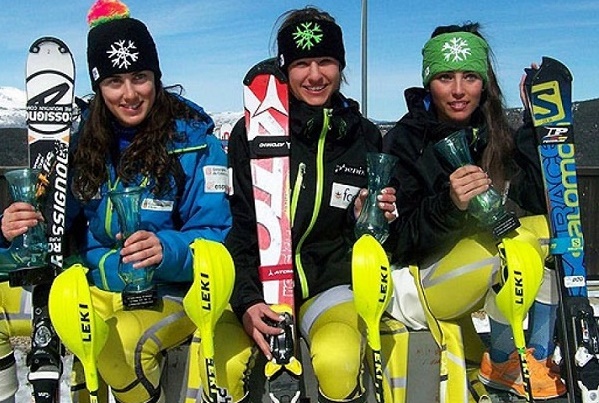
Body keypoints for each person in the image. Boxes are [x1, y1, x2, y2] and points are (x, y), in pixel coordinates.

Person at [0, 0, 230, 402]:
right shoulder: (78, 143)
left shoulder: (196, 144)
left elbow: (217, 234)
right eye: (114, 81)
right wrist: (15, 231)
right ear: (97, 85)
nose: (129, 94)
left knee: (120, 350)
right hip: (92, 284)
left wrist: (168, 248)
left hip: (168, 291)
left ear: (156, 78)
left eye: (140, 77)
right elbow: (55, 225)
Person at [194, 7, 400, 403]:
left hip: (331, 282)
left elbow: (375, 238)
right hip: (258, 284)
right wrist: (246, 301)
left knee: (338, 361)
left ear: (341, 66)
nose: (315, 75)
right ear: (285, 69)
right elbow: (235, 225)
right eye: (302, 63)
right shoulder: (252, 132)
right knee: (224, 365)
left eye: (326, 61)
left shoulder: (363, 136)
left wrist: (370, 220)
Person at [383, 22, 566, 401]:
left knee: (548, 231)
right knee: (509, 247)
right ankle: (502, 360)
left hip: (471, 269)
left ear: (484, 82)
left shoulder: (491, 130)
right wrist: (450, 205)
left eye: (470, 77)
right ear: (428, 82)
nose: (458, 90)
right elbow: (400, 242)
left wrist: (536, 125)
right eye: (445, 77)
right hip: (419, 281)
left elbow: (537, 200)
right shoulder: (405, 140)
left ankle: (538, 357)